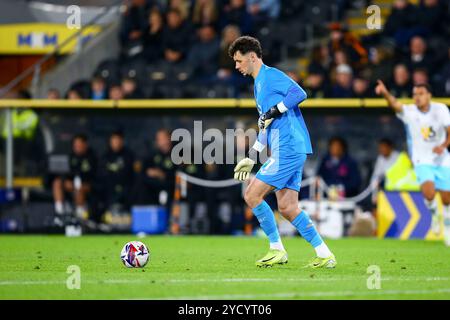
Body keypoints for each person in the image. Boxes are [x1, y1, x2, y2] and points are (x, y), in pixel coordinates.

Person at [229, 36, 336, 268]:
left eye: (239, 61)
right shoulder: (258, 84)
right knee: (288, 207)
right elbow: (265, 123)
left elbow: (300, 94)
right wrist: (252, 155)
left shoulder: (271, 75)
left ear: (252, 57)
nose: (236, 66)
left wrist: (276, 110)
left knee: (251, 195)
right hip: (287, 148)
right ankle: (324, 253)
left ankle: (276, 249)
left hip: (288, 148)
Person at [375, 80, 450, 245]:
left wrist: (443, 146)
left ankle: (445, 216)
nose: (417, 97)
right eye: (415, 94)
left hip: (442, 158)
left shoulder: (441, 109)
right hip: (421, 159)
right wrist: (385, 92)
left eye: (421, 93)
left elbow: (449, 131)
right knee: (429, 193)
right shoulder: (410, 112)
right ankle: (436, 215)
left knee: (447, 198)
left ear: (429, 95)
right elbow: (394, 104)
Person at [52, 134, 97, 220]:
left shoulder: (92, 157)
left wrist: (80, 182)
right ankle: (59, 213)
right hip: (72, 184)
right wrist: (67, 181)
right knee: (57, 183)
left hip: (88, 185)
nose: (77, 147)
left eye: (79, 145)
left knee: (79, 188)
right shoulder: (71, 156)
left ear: (85, 145)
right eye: (76, 145)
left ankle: (80, 216)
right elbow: (65, 173)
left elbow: (93, 175)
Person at [99, 130, 135, 213]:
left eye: (118, 140)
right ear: (110, 142)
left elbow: (129, 173)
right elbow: (101, 173)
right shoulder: (105, 156)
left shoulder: (128, 155)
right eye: (114, 140)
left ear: (122, 141)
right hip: (108, 187)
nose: (116, 143)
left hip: (125, 186)